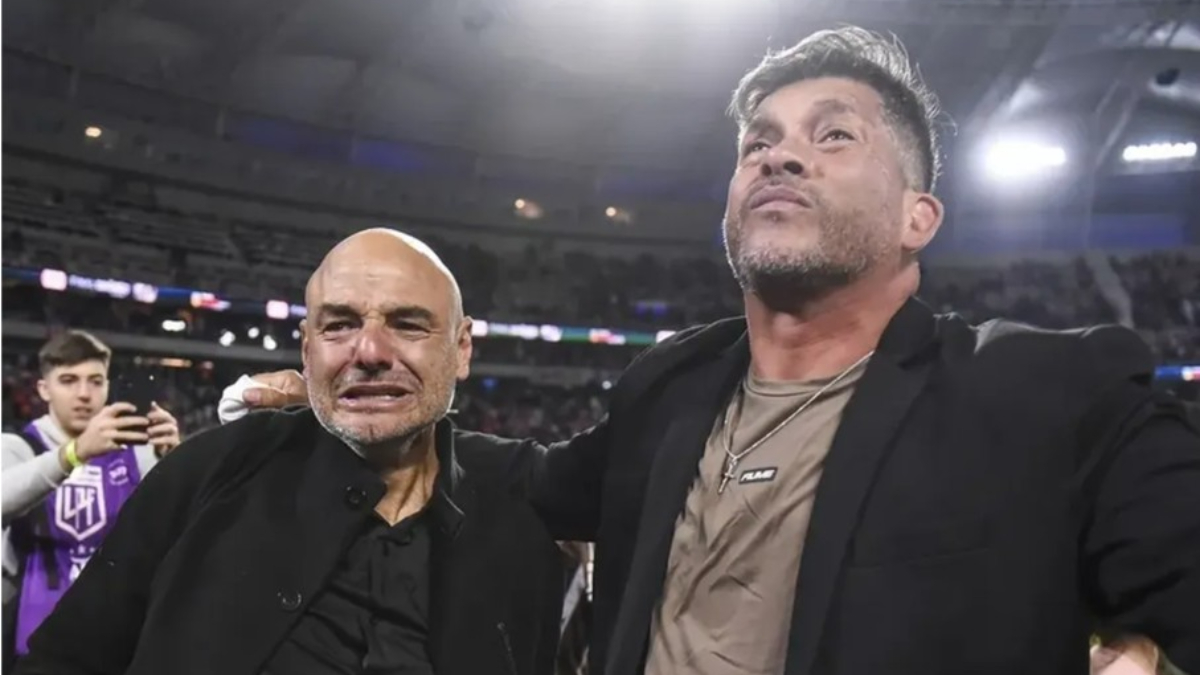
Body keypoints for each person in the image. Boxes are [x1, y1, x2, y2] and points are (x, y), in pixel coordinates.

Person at [221, 27, 1200, 675]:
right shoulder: (669, 386)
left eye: (834, 136)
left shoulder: (1042, 393)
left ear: (919, 216)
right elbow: (524, 481)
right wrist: (350, 400)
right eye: (756, 143)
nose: (779, 153)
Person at [16, 230, 566, 675]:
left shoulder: (519, 495)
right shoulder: (210, 472)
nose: (369, 351)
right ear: (307, 348)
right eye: (339, 325)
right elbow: (65, 661)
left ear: (462, 348)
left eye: (407, 324)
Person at [1, 330, 181, 664]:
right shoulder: (19, 447)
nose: (84, 394)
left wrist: (175, 462)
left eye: (95, 381)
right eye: (68, 380)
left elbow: (172, 533)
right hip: (29, 641)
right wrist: (75, 453)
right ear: (44, 389)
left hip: (111, 639)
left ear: (108, 387)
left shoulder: (137, 453)